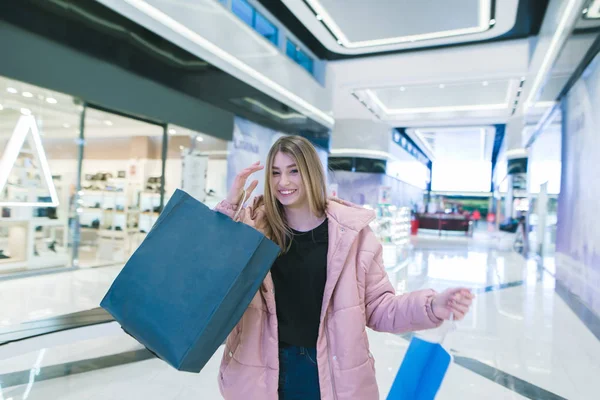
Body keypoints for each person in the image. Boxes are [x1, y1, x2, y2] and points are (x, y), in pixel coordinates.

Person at [215, 136, 474, 400]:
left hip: (331, 372)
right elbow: (211, 276)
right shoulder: (253, 229)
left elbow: (379, 307)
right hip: (262, 371)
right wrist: (230, 205)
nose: (283, 182)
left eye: (294, 171)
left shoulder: (352, 235)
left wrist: (431, 306)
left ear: (312, 172)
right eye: (275, 173)